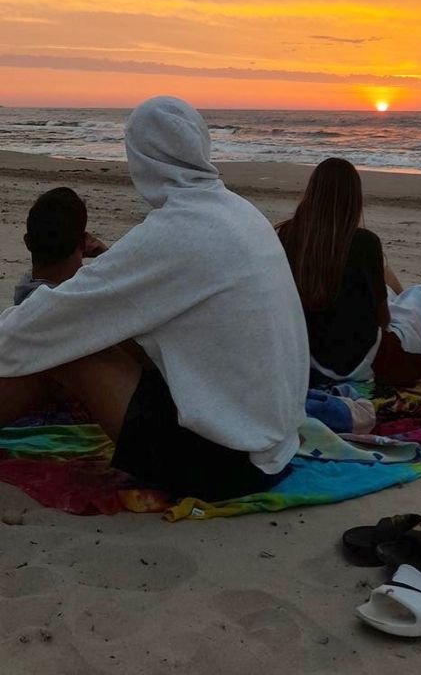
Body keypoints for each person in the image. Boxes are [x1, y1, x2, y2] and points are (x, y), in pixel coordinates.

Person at [0, 96, 310, 501]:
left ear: (140, 158)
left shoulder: (177, 230)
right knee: (88, 331)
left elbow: (52, 317)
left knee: (60, 344)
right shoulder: (239, 211)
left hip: (225, 465)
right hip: (275, 446)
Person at [277, 157, 421, 383]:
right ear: (354, 199)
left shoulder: (288, 235)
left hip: (309, 354)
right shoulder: (364, 242)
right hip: (363, 361)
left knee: (405, 297)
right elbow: (383, 321)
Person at [15, 186, 107, 306]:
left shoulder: (25, 288)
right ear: (82, 243)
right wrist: (105, 254)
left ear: (27, 242)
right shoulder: (65, 304)